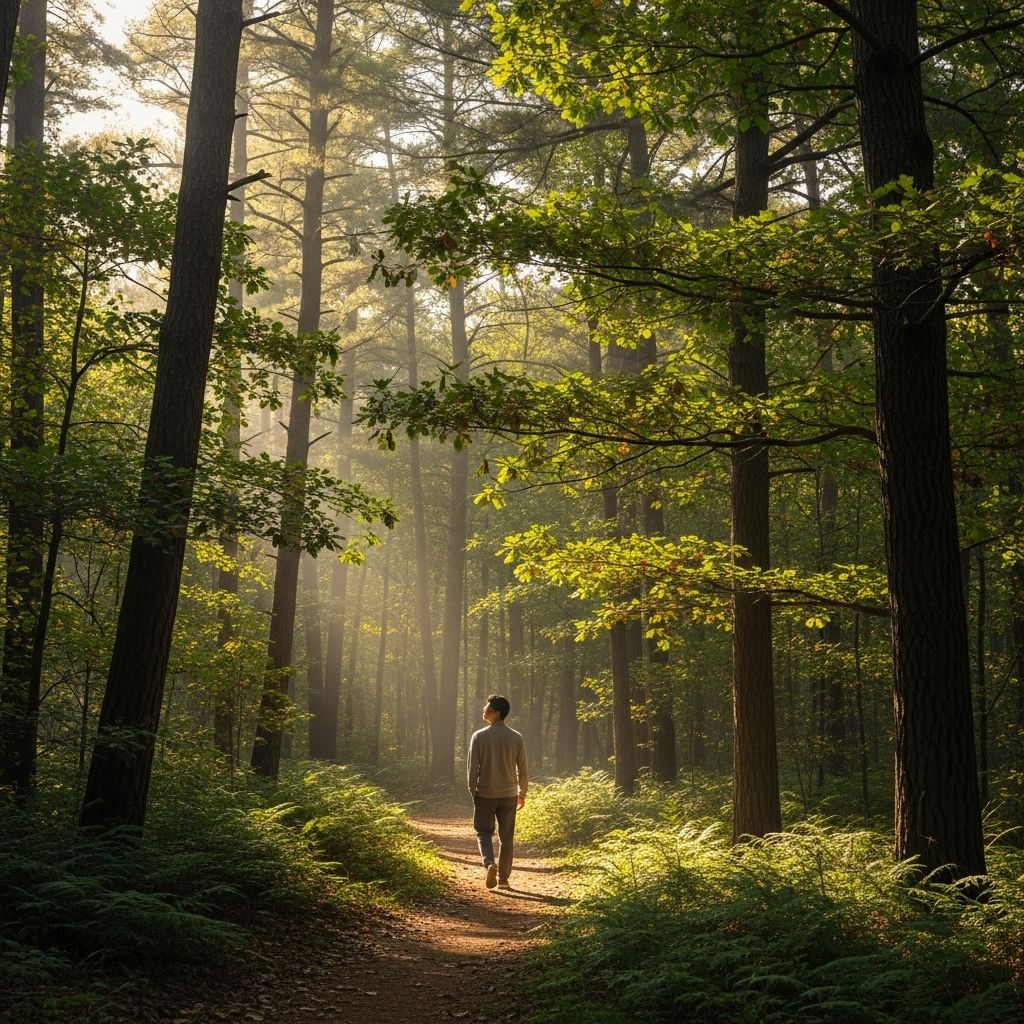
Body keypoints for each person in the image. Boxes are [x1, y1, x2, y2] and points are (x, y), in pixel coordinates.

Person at [466, 694, 528, 891]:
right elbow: (523, 769)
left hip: (485, 793)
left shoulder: (479, 736)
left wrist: (473, 791)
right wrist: (522, 792)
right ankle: (504, 879)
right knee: (506, 837)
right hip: (509, 794)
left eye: (487, 708)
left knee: (483, 832)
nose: (483, 710)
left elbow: (472, 769)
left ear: (496, 713)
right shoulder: (516, 737)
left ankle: (489, 864)